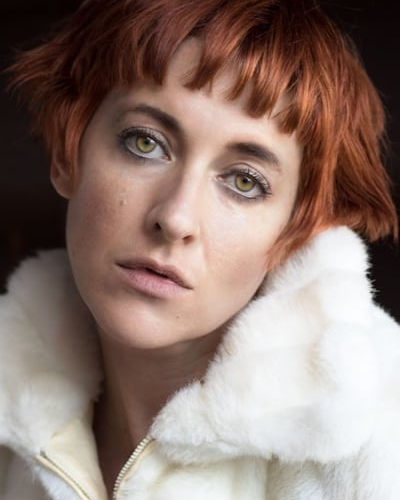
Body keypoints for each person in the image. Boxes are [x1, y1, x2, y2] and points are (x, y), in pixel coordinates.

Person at [1, 0, 399, 498]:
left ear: (299, 231)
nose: (175, 218)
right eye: (145, 143)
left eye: (245, 181)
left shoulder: (380, 439)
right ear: (68, 151)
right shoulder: (10, 405)